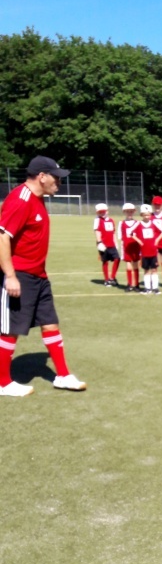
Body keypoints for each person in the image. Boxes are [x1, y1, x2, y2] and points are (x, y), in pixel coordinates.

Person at [0, 155, 87, 395]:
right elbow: (2, 236)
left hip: (39, 275)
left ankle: (63, 376)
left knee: (50, 324)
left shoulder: (39, 199)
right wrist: (10, 275)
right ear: (42, 176)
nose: (59, 183)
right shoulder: (21, 199)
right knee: (10, 329)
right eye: (56, 178)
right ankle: (3, 383)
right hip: (20, 275)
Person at [128, 204, 162, 295]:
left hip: (153, 250)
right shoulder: (138, 224)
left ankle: (155, 288)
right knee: (146, 270)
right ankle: (147, 288)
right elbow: (129, 232)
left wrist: (157, 239)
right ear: (141, 215)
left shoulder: (154, 223)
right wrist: (138, 241)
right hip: (144, 251)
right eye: (145, 215)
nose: (147, 217)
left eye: (148, 214)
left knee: (154, 269)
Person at [93, 203, 120, 286]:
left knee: (117, 259)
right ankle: (106, 279)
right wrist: (99, 242)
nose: (102, 213)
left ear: (107, 211)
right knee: (105, 262)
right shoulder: (97, 220)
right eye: (100, 212)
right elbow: (97, 231)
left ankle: (112, 277)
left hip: (111, 244)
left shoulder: (111, 221)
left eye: (103, 212)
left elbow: (113, 233)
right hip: (103, 245)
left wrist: (116, 243)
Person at [119, 203, 141, 292]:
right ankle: (130, 284)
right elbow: (121, 237)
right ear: (124, 212)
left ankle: (136, 284)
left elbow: (140, 235)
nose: (129, 213)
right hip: (127, 247)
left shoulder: (137, 223)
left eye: (131, 211)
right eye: (127, 212)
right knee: (128, 266)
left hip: (135, 246)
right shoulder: (122, 223)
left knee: (136, 265)